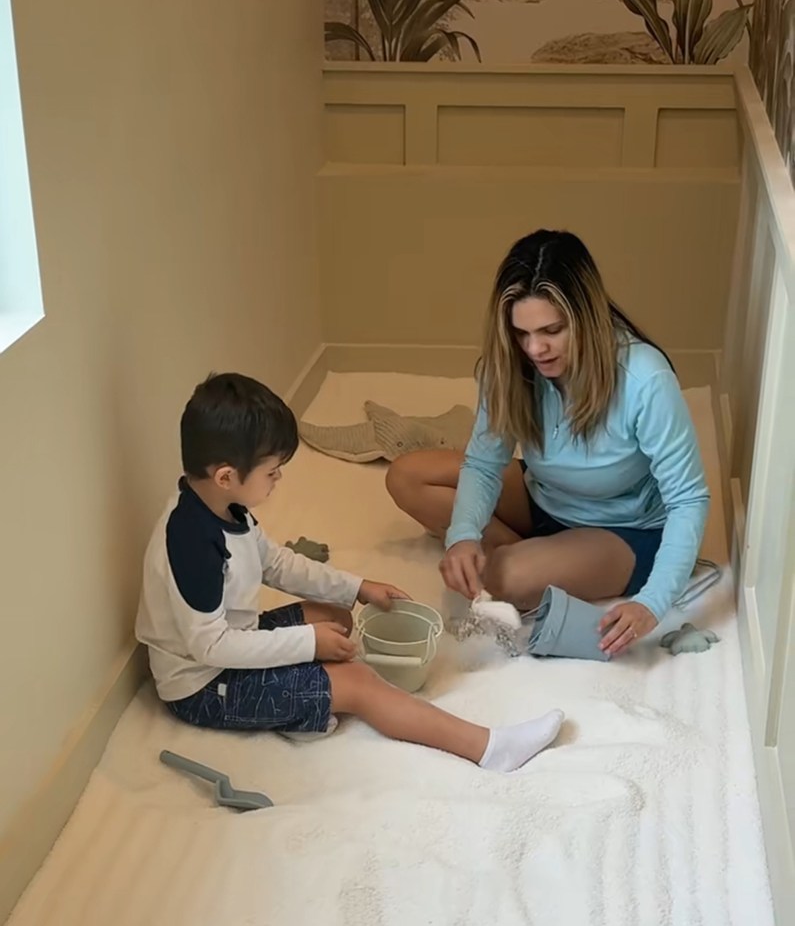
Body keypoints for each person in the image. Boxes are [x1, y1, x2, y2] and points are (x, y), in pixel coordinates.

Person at [135, 372, 564, 771]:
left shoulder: (226, 507)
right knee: (357, 682)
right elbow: (212, 648)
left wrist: (357, 588)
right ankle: (488, 747)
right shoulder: (192, 544)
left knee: (335, 619)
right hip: (205, 685)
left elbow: (276, 562)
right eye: (271, 471)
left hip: (230, 643)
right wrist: (306, 645)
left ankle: (302, 704)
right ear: (227, 476)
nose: (279, 477)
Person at [386, 230, 710, 658]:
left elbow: (688, 499)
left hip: (623, 528)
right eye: (521, 333)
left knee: (505, 576)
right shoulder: (511, 365)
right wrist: (462, 536)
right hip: (546, 495)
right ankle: (531, 553)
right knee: (406, 476)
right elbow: (484, 464)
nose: (535, 348)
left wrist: (652, 602)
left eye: (552, 330)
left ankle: (530, 559)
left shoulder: (644, 378)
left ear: (587, 316)